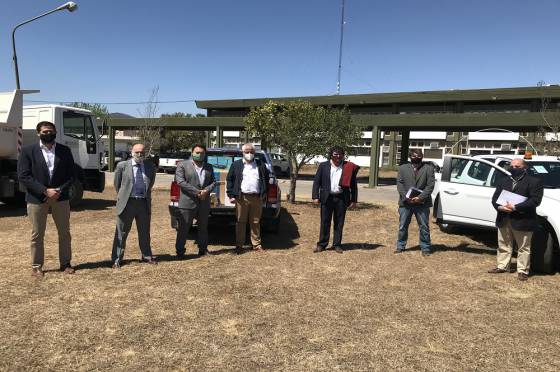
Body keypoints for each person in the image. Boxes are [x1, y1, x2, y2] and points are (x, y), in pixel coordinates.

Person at [17, 121, 76, 278]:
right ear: (38, 133)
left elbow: (71, 175)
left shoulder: (64, 151)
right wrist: (44, 190)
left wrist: (59, 190)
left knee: (64, 232)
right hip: (37, 198)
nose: (48, 133)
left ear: (55, 132)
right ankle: (36, 266)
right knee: (37, 233)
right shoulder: (28, 151)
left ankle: (65, 263)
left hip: (60, 197)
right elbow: (24, 175)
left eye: (51, 131)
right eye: (44, 131)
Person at [488, 158, 543, 281]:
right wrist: (500, 207)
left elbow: (535, 201)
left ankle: (522, 270)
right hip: (504, 217)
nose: (514, 168)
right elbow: (495, 198)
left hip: (523, 219)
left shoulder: (534, 182)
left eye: (517, 166)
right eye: (512, 166)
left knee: (523, 247)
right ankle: (502, 266)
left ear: (525, 168)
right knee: (503, 244)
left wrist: (516, 207)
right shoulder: (503, 181)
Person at [111, 143, 157, 268]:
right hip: (127, 203)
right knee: (121, 232)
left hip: (143, 203)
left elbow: (150, 183)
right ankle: (116, 259)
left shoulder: (150, 166)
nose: (139, 154)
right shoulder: (122, 166)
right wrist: (124, 196)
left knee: (144, 232)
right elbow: (117, 185)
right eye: (137, 152)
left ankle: (146, 256)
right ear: (132, 152)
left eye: (142, 152)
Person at [312, 146, 358, 254]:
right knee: (325, 222)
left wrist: (354, 200)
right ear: (331, 155)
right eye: (335, 154)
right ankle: (322, 245)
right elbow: (316, 182)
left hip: (341, 198)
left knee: (339, 223)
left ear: (343, 155)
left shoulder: (348, 167)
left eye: (340, 154)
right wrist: (315, 196)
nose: (338, 156)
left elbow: (353, 185)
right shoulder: (323, 166)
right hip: (327, 198)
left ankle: (337, 244)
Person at [226, 143, 269, 253]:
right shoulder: (236, 165)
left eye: (251, 152)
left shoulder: (260, 164)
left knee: (255, 222)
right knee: (241, 221)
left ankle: (256, 245)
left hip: (257, 198)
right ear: (243, 152)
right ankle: (239, 245)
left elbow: (266, 180)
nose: (249, 154)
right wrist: (231, 195)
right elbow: (229, 179)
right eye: (247, 151)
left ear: (254, 153)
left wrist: (264, 194)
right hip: (241, 198)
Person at [174, 144, 216, 258]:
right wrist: (197, 192)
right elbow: (180, 182)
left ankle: (203, 249)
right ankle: (180, 252)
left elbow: (213, 182)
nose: (199, 155)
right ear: (192, 152)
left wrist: (206, 191)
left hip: (204, 202)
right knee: (184, 228)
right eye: (197, 152)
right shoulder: (183, 165)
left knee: (203, 227)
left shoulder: (209, 167)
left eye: (202, 153)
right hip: (187, 202)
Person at [395, 149, 435, 256]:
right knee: (403, 226)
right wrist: (405, 196)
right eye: (414, 155)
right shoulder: (403, 168)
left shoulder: (429, 169)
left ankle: (425, 248)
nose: (416, 157)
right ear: (410, 157)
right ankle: (400, 246)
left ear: (422, 157)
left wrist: (420, 197)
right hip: (406, 203)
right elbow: (400, 184)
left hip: (422, 203)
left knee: (424, 226)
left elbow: (430, 186)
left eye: (418, 155)